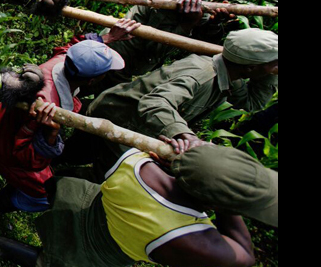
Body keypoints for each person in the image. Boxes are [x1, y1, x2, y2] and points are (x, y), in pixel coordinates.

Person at [0, 140, 276, 267]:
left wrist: (195, 162)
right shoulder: (188, 237)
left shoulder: (138, 160)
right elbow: (245, 255)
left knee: (45, 200)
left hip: (77, 204)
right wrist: (228, 204)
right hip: (93, 255)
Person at [0, 26, 134, 212]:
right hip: (6, 148)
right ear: (92, 81)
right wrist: (50, 135)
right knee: (45, 196)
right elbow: (25, 158)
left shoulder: (60, 62)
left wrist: (106, 38)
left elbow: (70, 48)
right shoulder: (48, 108)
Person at [88, 28, 278, 169]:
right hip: (115, 118)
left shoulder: (230, 76)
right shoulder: (201, 75)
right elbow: (154, 102)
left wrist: (270, 72)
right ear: (250, 68)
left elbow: (252, 102)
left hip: (133, 124)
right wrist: (185, 135)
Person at [94, 0, 244, 92]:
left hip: (124, 58)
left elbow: (200, 33)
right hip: (116, 56)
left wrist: (214, 21)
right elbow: (154, 44)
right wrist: (188, 24)